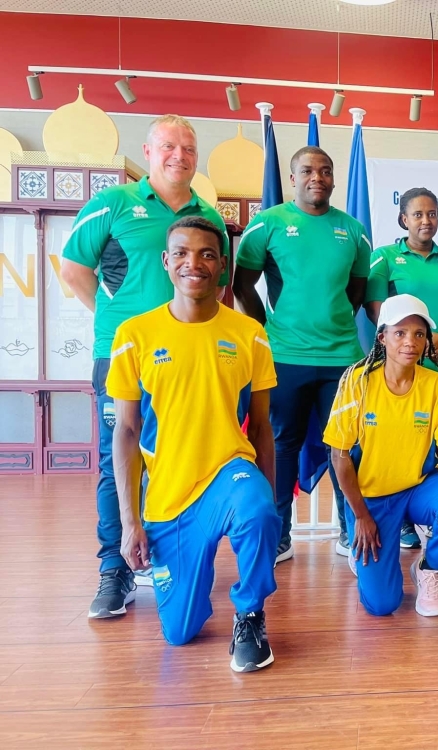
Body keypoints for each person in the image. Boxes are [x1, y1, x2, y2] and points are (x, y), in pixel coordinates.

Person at [60, 114, 229, 619]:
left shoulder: (209, 217)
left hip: (188, 363)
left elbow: (219, 289)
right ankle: (114, 569)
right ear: (149, 151)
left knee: (182, 459)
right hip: (125, 359)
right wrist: (120, 325)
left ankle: (168, 558)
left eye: (189, 148)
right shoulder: (114, 203)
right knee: (119, 462)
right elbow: (73, 269)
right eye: (169, 146)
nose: (180, 156)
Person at [106, 217, 280, 672]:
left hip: (229, 472)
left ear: (222, 265)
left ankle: (250, 614)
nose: (193, 263)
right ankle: (193, 582)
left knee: (257, 510)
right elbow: (126, 432)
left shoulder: (249, 334)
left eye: (206, 254)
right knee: (180, 632)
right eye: (182, 253)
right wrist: (129, 522)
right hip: (170, 496)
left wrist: (269, 504)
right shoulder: (133, 336)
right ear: (166, 262)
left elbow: (262, 428)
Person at [233, 146, 371, 565]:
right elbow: (242, 285)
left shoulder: (353, 231)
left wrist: (333, 322)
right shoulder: (268, 224)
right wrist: (267, 330)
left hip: (342, 359)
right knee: (281, 445)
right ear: (293, 178)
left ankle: (350, 532)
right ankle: (279, 535)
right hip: (284, 357)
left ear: (334, 178)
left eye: (325, 171)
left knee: (347, 445)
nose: (317, 177)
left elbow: (357, 291)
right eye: (308, 170)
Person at [324, 294, 438, 618]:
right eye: (400, 333)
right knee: (382, 605)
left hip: (417, 488)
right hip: (372, 500)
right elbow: (339, 457)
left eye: (419, 334)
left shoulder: (436, 384)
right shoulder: (357, 382)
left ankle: (428, 568)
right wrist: (361, 516)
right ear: (382, 337)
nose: (410, 341)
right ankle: (363, 551)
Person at [365, 188, 438, 549]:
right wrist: (409, 344)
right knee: (401, 442)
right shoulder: (384, 258)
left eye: (432, 214)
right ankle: (403, 519)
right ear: (404, 219)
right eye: (417, 214)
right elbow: (377, 310)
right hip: (398, 372)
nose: (426, 221)